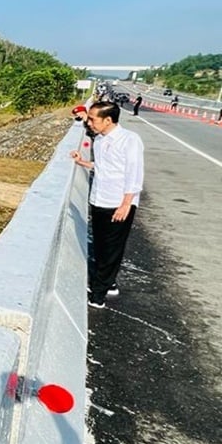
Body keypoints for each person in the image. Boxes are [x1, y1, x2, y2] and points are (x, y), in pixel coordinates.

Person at [70, 101, 144, 309]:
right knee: (101, 246)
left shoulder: (130, 140)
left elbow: (134, 174)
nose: (89, 122)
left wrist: (126, 204)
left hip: (117, 203)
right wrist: (82, 162)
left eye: (93, 119)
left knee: (112, 249)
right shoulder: (100, 140)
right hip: (99, 200)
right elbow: (104, 167)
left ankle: (98, 296)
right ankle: (108, 283)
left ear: (108, 120)